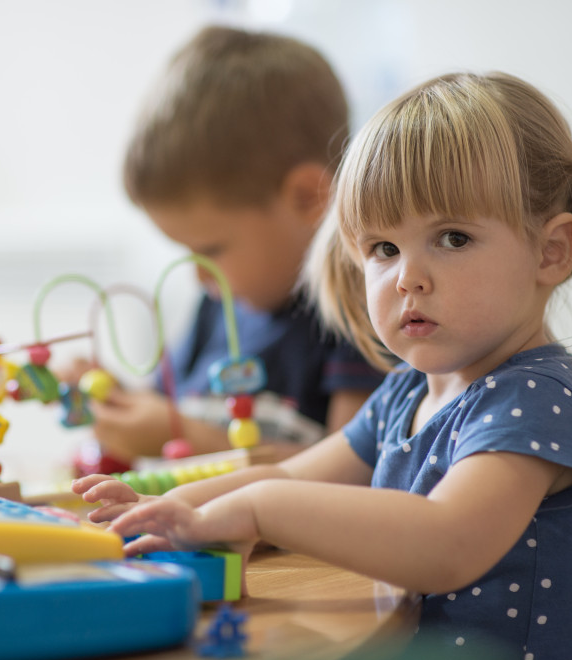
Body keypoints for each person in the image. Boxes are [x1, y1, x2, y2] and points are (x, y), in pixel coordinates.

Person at [73, 71, 572, 660]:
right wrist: (169, 510)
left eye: (452, 238)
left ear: (551, 251)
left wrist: (260, 511)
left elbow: (446, 544)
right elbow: (286, 473)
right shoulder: (408, 390)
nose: (408, 277)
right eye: (383, 248)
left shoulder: (536, 401)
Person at [64, 25, 384, 466]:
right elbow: (163, 412)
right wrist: (114, 402)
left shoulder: (362, 310)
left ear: (309, 198)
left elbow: (357, 474)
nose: (198, 274)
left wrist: (185, 437)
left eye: (210, 250)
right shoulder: (215, 307)